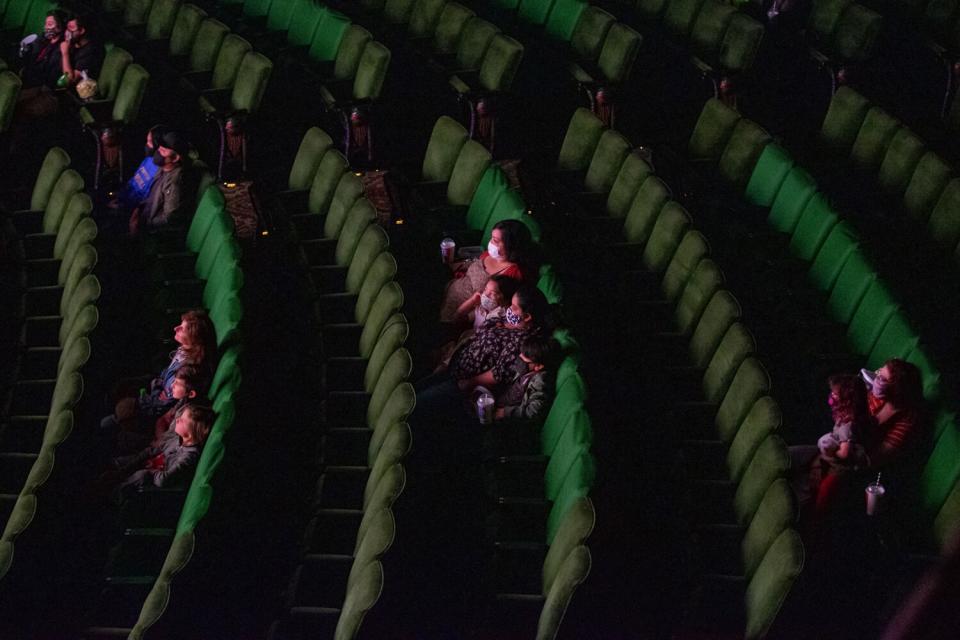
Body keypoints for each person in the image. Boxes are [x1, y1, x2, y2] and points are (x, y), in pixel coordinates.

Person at [112, 310, 217, 422]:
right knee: (120, 386)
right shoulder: (185, 349)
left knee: (123, 409)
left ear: (194, 339)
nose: (176, 328)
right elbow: (165, 376)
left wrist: (154, 391)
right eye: (180, 325)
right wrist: (156, 383)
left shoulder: (188, 371)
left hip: (155, 405)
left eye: (182, 329)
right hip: (158, 385)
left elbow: (166, 403)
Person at [439, 220, 538, 324]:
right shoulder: (490, 254)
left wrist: (462, 317)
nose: (490, 242)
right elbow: (473, 264)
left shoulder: (512, 273)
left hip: (459, 310)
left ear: (510, 245)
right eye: (491, 237)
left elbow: (493, 307)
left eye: (495, 240)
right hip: (449, 288)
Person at [112, 403, 214, 494]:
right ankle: (115, 474)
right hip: (151, 463)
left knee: (141, 475)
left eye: (182, 420)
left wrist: (151, 471)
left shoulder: (189, 456)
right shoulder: (177, 439)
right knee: (120, 461)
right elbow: (153, 450)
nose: (177, 420)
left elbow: (163, 480)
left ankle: (114, 491)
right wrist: (125, 469)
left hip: (152, 479)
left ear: (191, 433)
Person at [128, 131, 198, 234]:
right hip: (141, 215)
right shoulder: (162, 168)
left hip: (149, 231)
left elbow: (169, 219)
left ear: (175, 158)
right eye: (160, 147)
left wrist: (142, 224)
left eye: (164, 150)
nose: (159, 151)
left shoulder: (174, 183)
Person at [493, 335, 559, 424]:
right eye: (521, 354)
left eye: (524, 359)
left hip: (507, 418)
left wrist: (504, 412)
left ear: (538, 366)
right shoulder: (527, 370)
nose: (520, 358)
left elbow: (533, 411)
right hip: (500, 401)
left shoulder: (540, 381)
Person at [108, 125, 168, 211]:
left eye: (150, 142)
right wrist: (120, 195)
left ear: (158, 144)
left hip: (131, 208)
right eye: (147, 141)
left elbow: (144, 198)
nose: (147, 145)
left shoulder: (159, 170)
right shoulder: (148, 159)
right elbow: (134, 180)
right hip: (124, 198)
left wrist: (122, 206)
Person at [19, 10, 66, 90]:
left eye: (50, 24)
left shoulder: (60, 49)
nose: (46, 27)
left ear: (60, 27)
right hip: (26, 73)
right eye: (46, 24)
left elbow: (48, 74)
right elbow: (30, 52)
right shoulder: (43, 37)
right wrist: (26, 49)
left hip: (37, 85)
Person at [59, 14, 104, 88]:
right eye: (67, 28)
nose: (67, 32)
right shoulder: (73, 43)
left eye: (71, 28)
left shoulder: (92, 51)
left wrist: (65, 53)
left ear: (81, 31)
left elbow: (70, 80)